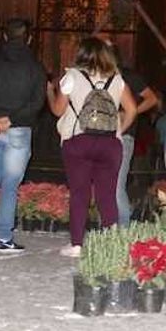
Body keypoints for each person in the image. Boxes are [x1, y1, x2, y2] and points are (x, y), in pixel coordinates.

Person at [47, 37, 137, 258]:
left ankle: (77, 244)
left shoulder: (72, 76)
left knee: (80, 193)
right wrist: (118, 130)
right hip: (110, 144)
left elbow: (58, 111)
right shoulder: (117, 79)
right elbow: (132, 109)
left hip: (79, 140)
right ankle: (112, 241)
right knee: (107, 194)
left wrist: (50, 93)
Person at [0, 19, 46, 252]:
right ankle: (3, 236)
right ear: (30, 39)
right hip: (18, 129)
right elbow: (37, 102)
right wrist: (10, 120)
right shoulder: (35, 67)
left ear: (4, 37)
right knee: (10, 186)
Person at [112, 46, 159, 226]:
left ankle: (123, 229)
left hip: (124, 135)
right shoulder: (99, 76)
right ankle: (111, 226)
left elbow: (152, 99)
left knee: (116, 186)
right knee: (105, 186)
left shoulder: (129, 77)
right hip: (103, 135)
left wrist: (131, 112)